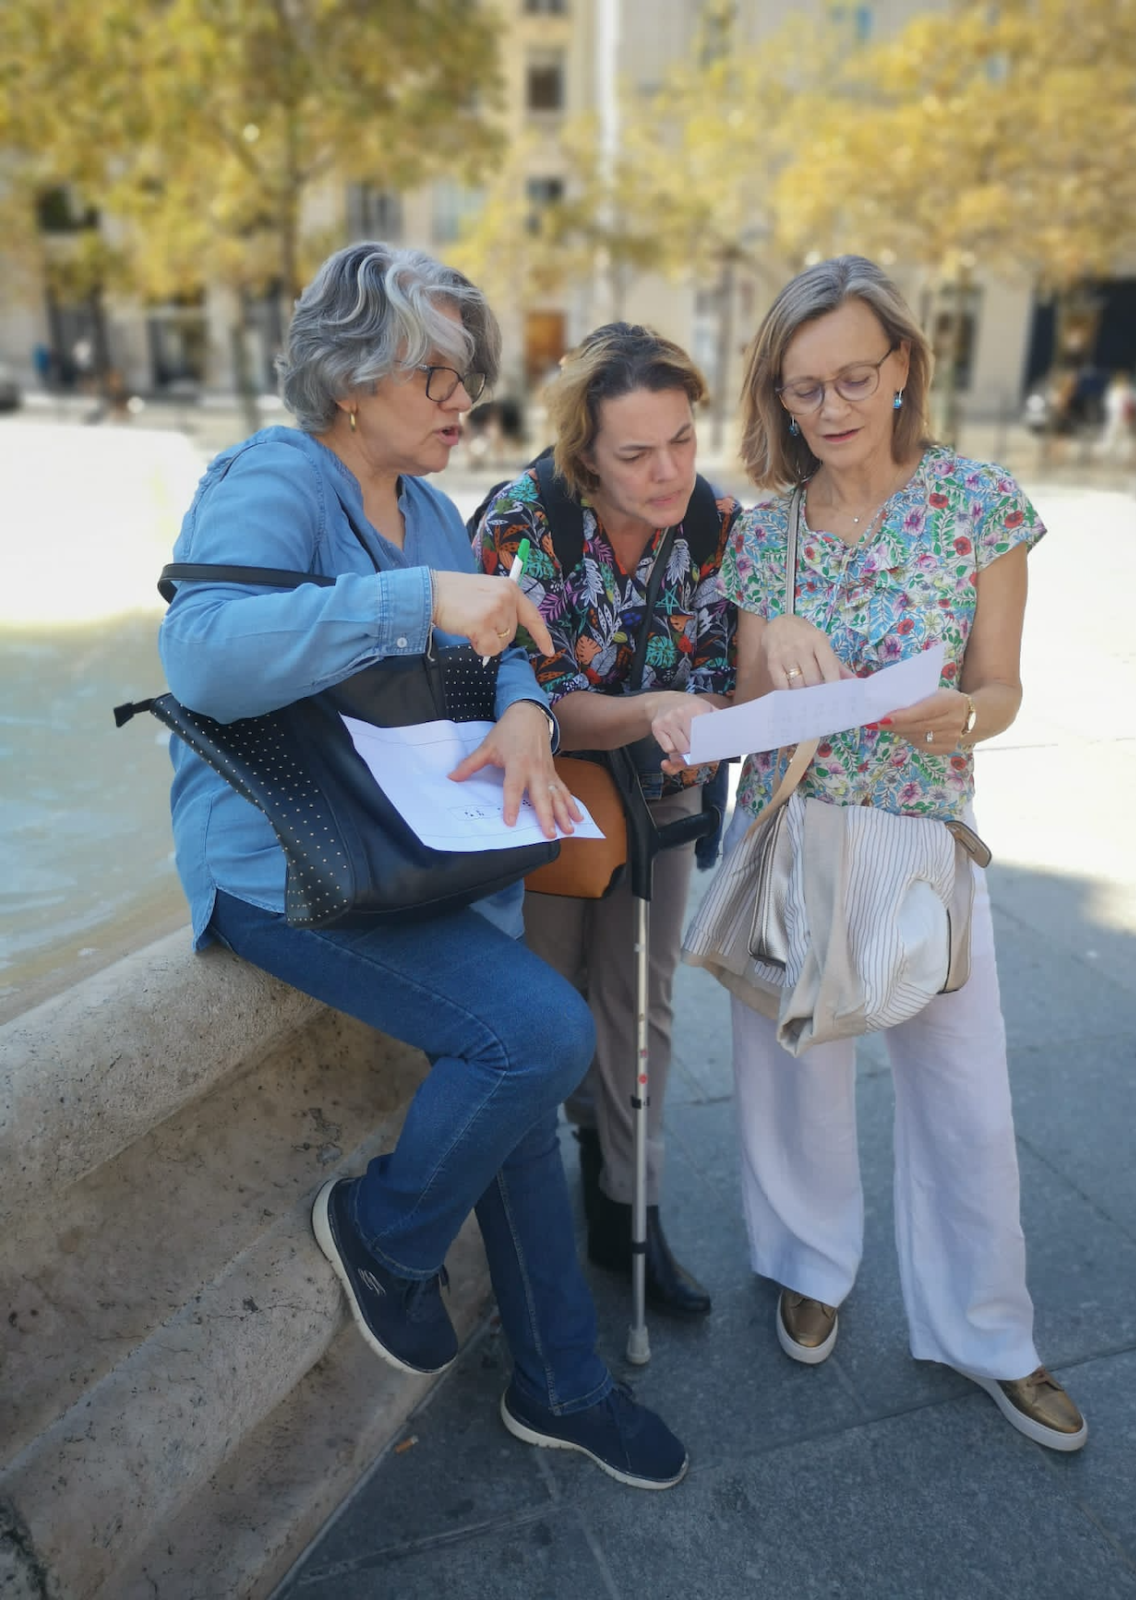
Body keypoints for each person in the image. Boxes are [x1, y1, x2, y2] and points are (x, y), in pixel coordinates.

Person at [158, 242, 688, 1490]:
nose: (466, 401)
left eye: (471, 376)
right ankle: (384, 1227)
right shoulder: (274, 476)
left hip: (411, 847)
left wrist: (520, 710)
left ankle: (563, 1382)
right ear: (349, 379)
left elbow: (501, 634)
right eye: (437, 375)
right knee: (536, 1036)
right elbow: (204, 655)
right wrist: (414, 606)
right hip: (289, 862)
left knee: (509, 1094)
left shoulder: (439, 510)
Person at [717, 255, 1087, 1451]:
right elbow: (737, 714)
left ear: (904, 370)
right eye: (801, 388)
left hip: (927, 839)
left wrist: (963, 715)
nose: (827, 410)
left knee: (967, 1098)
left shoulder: (979, 504)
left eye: (852, 379)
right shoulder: (760, 541)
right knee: (792, 1074)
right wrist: (773, 643)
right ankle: (809, 1262)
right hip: (791, 834)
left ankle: (992, 1332)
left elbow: (1005, 689)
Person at [474, 324, 738, 1318]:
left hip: (659, 791)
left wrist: (712, 710)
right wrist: (654, 710)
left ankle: (630, 1213)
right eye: (636, 453)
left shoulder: (713, 522)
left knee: (642, 1000)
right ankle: (538, 1206)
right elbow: (528, 699)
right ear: (586, 449)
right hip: (541, 788)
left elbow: (721, 675)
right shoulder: (524, 521)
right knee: (546, 998)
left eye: (681, 439)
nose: (669, 471)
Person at [1099, 371, 1136, 463]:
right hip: (1116, 417)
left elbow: (1134, 401)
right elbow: (1110, 405)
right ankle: (1106, 453)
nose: (1123, 383)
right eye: (1121, 381)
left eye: (1124, 381)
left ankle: (1127, 455)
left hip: (1124, 417)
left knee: (1125, 437)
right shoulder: (1113, 392)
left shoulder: (1128, 391)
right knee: (1111, 435)